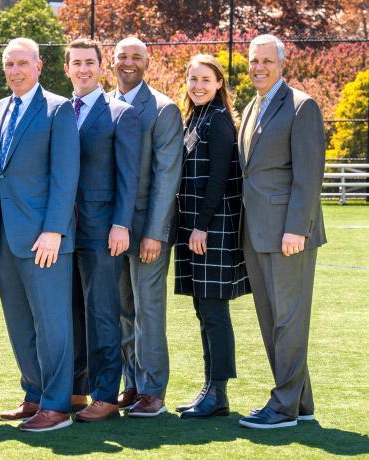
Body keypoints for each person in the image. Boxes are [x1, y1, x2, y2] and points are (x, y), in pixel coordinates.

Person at [0, 37, 80, 432]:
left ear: (39, 66)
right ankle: (35, 395)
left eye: (22, 63)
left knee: (52, 324)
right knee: (19, 322)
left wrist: (54, 230)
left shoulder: (58, 110)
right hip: (3, 238)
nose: (15, 71)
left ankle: (56, 406)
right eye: (9, 64)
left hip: (44, 240)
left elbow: (65, 175)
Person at [237, 34, 326, 429]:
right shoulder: (251, 106)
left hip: (288, 235)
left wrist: (296, 230)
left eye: (266, 61)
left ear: (281, 63)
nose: (258, 67)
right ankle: (300, 401)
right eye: (254, 61)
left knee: (288, 320)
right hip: (256, 233)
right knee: (273, 319)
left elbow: (308, 176)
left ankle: (284, 406)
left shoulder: (302, 106)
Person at [63, 38, 141, 422]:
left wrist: (121, 224)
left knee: (103, 315)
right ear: (67, 69)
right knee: (71, 313)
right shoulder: (59, 112)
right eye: (76, 62)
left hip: (102, 231)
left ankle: (106, 394)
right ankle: (77, 391)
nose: (83, 69)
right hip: (62, 233)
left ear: (100, 67)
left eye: (89, 62)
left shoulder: (120, 113)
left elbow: (129, 177)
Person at [173, 54, 250, 419]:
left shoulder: (219, 121)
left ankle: (218, 392)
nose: (198, 85)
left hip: (212, 230)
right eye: (192, 79)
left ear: (219, 84)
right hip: (194, 230)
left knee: (215, 311)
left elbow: (219, 179)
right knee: (203, 310)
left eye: (205, 79)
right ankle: (209, 389)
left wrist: (201, 225)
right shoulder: (195, 117)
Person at [111, 37, 183, 416]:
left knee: (148, 310)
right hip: (113, 229)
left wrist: (155, 232)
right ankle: (132, 383)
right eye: (122, 55)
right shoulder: (105, 103)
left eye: (136, 56)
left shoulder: (162, 109)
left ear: (147, 63)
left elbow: (166, 175)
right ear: (112, 60)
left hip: (147, 231)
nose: (128, 62)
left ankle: (153, 390)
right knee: (124, 309)